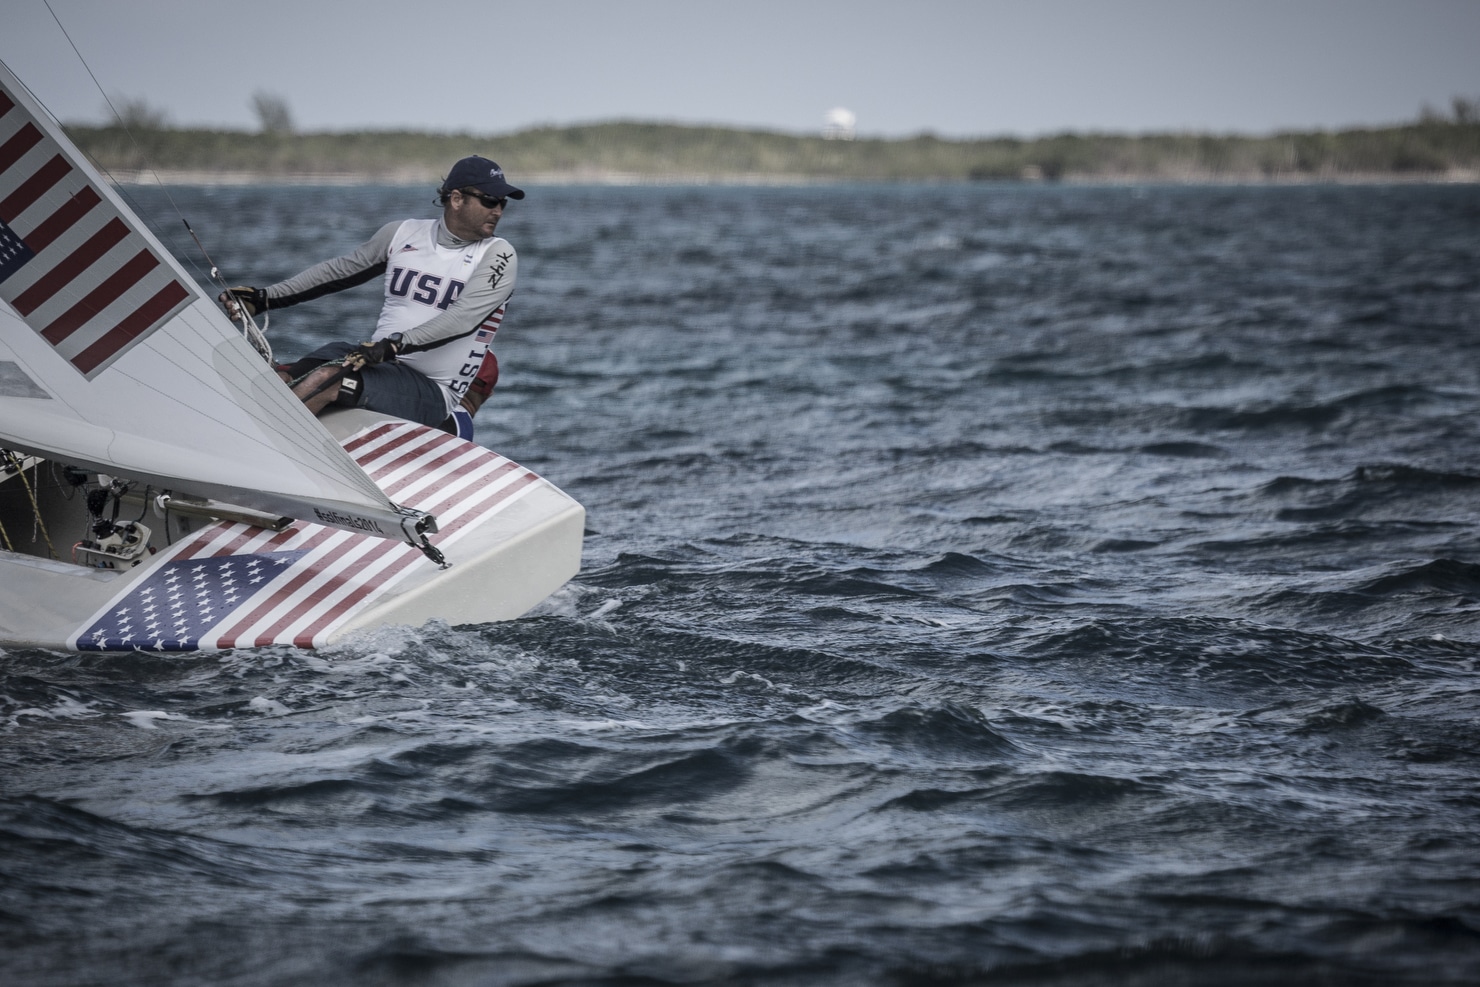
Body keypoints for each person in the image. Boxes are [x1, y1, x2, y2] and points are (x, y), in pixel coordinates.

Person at [219, 155, 522, 438]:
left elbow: (462, 319)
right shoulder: (402, 234)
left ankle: (261, 451)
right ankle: (224, 439)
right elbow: (337, 272)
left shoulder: (498, 255)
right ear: (456, 199)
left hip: (432, 390)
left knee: (325, 379)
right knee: (277, 377)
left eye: (502, 204)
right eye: (489, 201)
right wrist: (264, 298)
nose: (498, 210)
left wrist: (394, 345)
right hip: (382, 365)